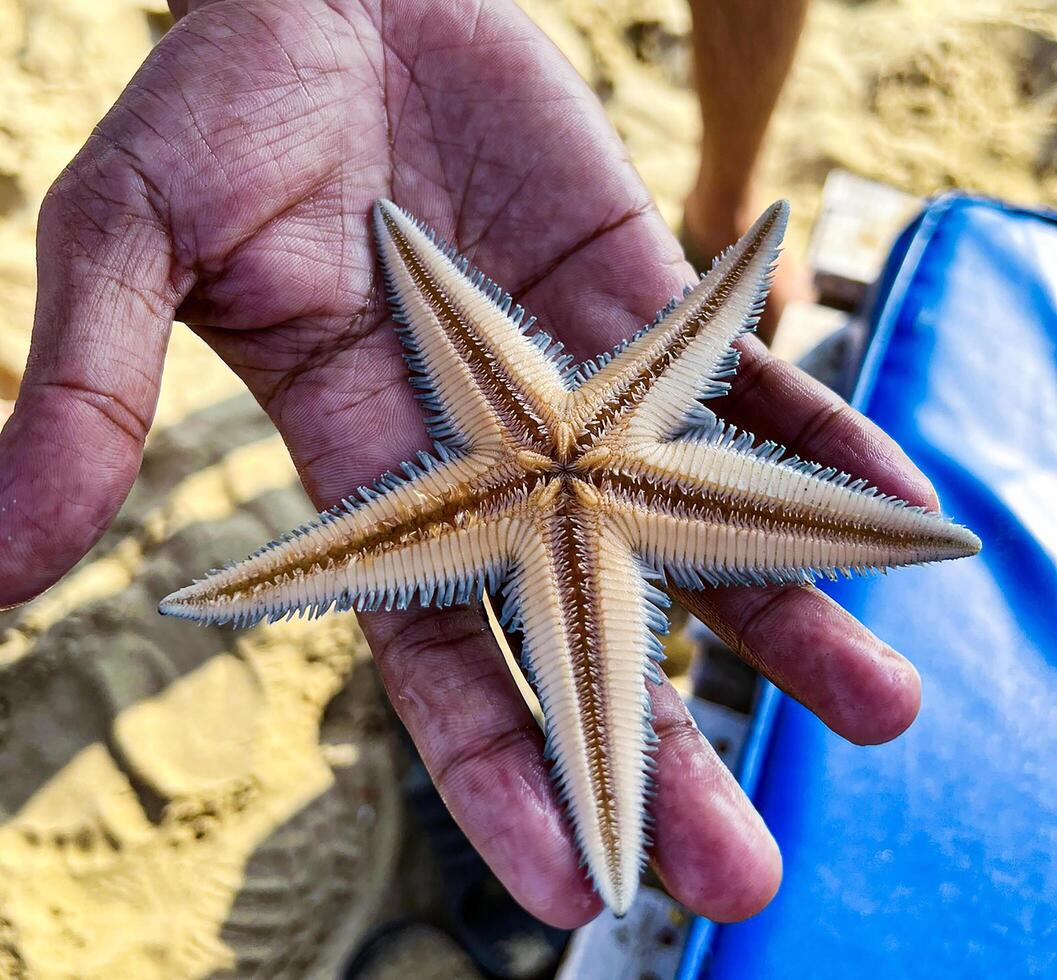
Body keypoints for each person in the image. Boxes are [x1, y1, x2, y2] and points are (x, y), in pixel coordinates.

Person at [0, 0, 929, 927]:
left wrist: (742, 268)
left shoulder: (564, 395)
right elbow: (654, 307)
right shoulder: (561, 399)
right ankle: (724, 201)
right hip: (548, 475)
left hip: (550, 473)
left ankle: (725, 198)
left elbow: (707, 313)